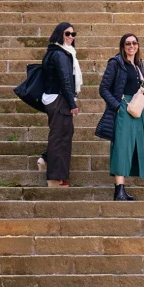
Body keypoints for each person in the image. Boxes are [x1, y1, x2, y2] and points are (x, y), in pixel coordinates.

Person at [97, 33, 144, 201]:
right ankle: (119, 190)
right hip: (124, 109)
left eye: (134, 43)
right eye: (127, 43)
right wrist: (117, 106)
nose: (131, 46)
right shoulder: (116, 63)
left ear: (138, 45)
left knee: (131, 148)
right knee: (121, 148)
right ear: (122, 46)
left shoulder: (138, 64)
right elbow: (103, 88)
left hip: (137, 110)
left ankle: (122, 190)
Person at [40, 22, 81, 187]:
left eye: (73, 34)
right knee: (61, 138)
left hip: (54, 98)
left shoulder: (54, 52)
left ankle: (45, 158)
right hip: (60, 99)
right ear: (59, 34)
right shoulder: (60, 54)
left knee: (62, 133)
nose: (71, 37)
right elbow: (65, 80)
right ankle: (55, 179)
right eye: (67, 34)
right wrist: (72, 103)